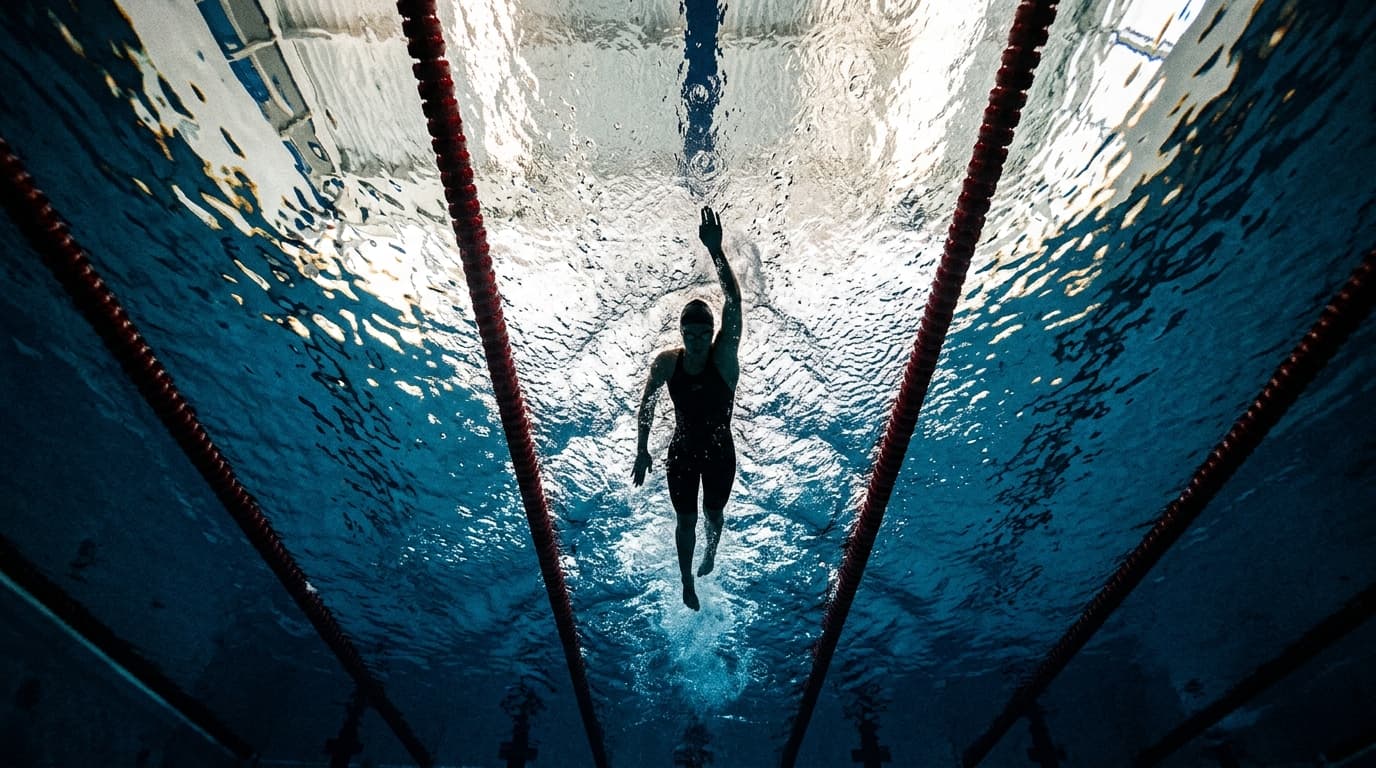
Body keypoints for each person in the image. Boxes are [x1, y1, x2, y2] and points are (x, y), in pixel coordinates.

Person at [633, 206, 742, 611]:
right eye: (689, 333)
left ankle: (711, 551)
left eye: (702, 333)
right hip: (681, 452)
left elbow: (733, 301)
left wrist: (716, 251)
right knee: (685, 521)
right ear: (681, 331)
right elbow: (647, 403)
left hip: (720, 454)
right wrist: (642, 449)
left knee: (713, 515)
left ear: (712, 332)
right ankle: (685, 581)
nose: (696, 340)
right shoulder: (667, 362)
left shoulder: (723, 359)